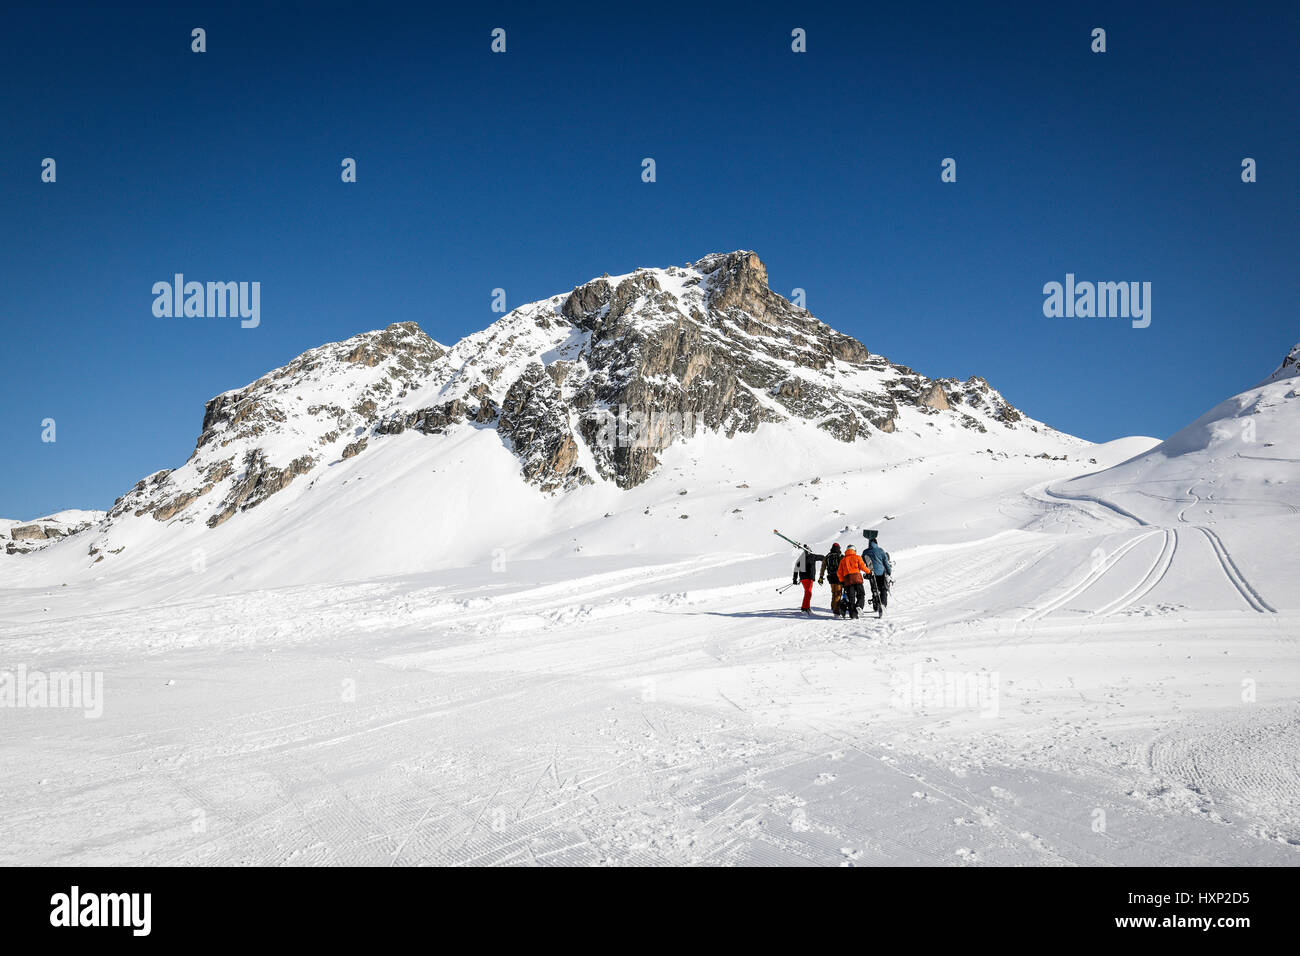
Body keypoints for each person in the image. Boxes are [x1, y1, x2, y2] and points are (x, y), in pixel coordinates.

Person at [837, 544, 869, 619]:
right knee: (861, 594)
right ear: (854, 550)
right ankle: (859, 606)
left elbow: (839, 572)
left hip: (847, 580)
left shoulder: (843, 560)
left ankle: (853, 615)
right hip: (857, 578)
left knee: (851, 598)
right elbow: (862, 567)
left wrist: (842, 581)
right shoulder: (857, 557)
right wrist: (869, 572)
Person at [864, 537, 893, 613]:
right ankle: (882, 605)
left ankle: (876, 605)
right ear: (876, 543)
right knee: (883, 589)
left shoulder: (865, 552)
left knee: (874, 588)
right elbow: (886, 563)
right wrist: (889, 571)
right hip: (881, 573)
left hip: (871, 573)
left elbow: (862, 561)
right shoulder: (881, 551)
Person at [791, 546, 824, 615]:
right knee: (808, 593)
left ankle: (806, 607)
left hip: (804, 578)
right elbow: (822, 557)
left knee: (807, 592)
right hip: (808, 578)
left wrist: (795, 579)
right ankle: (804, 608)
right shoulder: (812, 556)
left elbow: (796, 569)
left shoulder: (801, 558)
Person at [818, 543, 844, 617]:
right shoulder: (840, 556)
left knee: (833, 592)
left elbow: (823, 567)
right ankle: (836, 611)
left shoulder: (828, 556)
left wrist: (821, 576)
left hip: (830, 577)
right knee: (838, 593)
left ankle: (833, 607)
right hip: (839, 577)